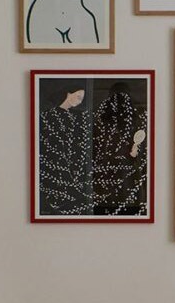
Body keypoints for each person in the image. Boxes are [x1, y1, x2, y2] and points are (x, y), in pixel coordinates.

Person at [92, 82, 148, 216]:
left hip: (119, 167)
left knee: (123, 195)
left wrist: (136, 149)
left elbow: (141, 142)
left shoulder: (134, 118)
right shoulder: (103, 119)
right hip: (112, 167)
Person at [38, 84, 93, 215]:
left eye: (81, 99)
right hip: (54, 166)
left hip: (74, 166)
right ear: (68, 93)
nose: (79, 101)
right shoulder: (48, 116)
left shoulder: (77, 117)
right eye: (78, 96)